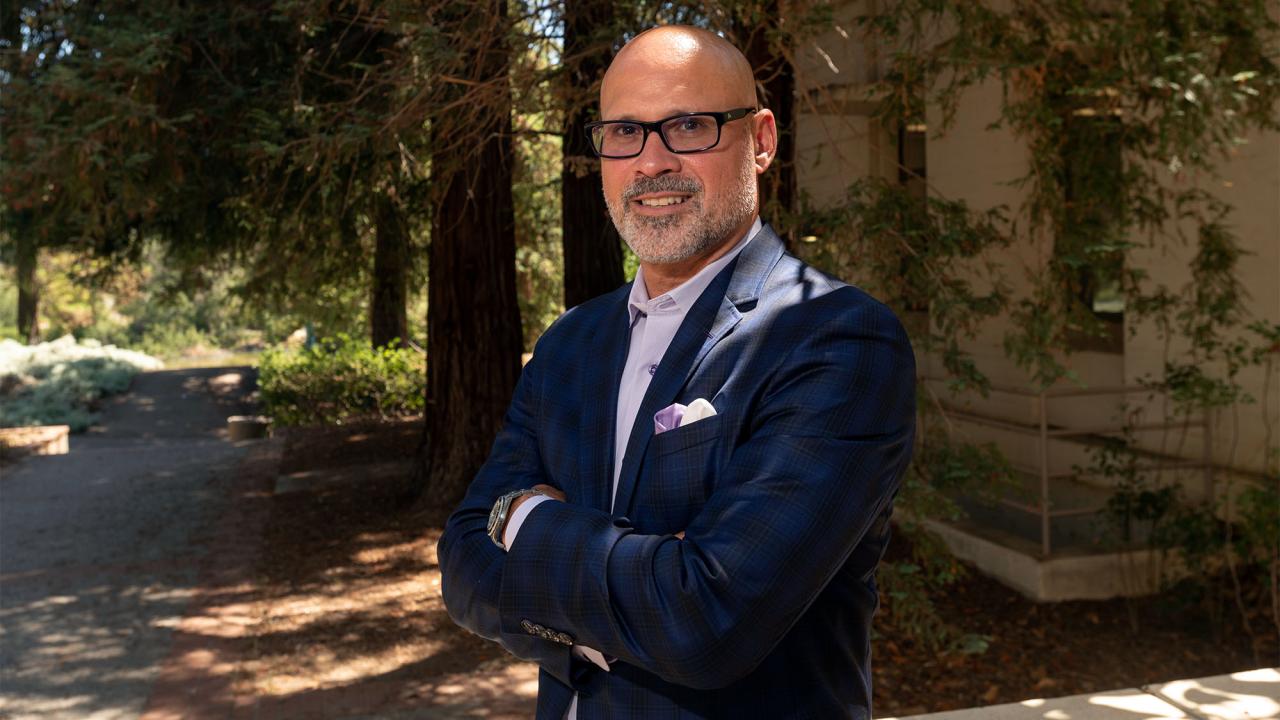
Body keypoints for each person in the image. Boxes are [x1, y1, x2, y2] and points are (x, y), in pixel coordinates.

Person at [437, 24, 916, 720]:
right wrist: (645, 585)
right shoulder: (570, 343)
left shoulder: (836, 339)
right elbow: (462, 566)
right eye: (625, 132)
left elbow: (706, 621)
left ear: (761, 140)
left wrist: (522, 518)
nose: (651, 162)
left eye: (689, 125)